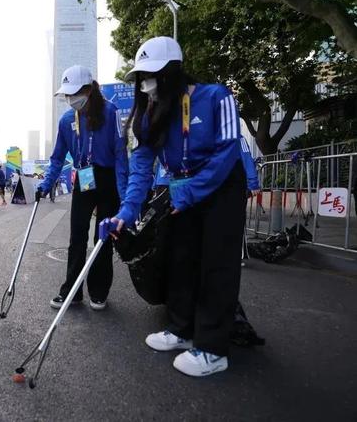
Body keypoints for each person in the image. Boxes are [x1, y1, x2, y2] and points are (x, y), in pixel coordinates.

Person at [112, 36, 246, 377]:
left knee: (217, 265)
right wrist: (127, 212)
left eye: (150, 76)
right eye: (141, 78)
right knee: (181, 259)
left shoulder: (217, 96)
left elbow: (228, 152)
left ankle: (214, 349)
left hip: (221, 189)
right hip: (180, 189)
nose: (145, 85)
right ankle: (182, 329)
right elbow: (141, 166)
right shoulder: (152, 115)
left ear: (173, 72)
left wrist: (189, 192)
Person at [38, 64, 128, 311]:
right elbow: (57, 158)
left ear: (88, 89)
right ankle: (72, 292)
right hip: (84, 179)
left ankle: (99, 291)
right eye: (67, 94)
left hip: (107, 178)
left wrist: (125, 195)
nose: (71, 99)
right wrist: (46, 184)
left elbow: (121, 155)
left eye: (74, 93)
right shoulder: (66, 120)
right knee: (76, 236)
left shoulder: (111, 112)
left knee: (103, 237)